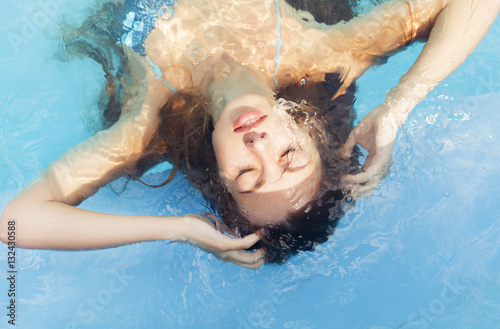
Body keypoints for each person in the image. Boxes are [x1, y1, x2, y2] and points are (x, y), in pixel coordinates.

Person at [1, 0, 498, 268]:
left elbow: (13, 225)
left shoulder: (143, 126)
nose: (259, 147)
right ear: (303, 128)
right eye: (288, 156)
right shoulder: (327, 52)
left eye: (246, 175)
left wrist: (180, 229)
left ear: (218, 172)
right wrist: (397, 107)